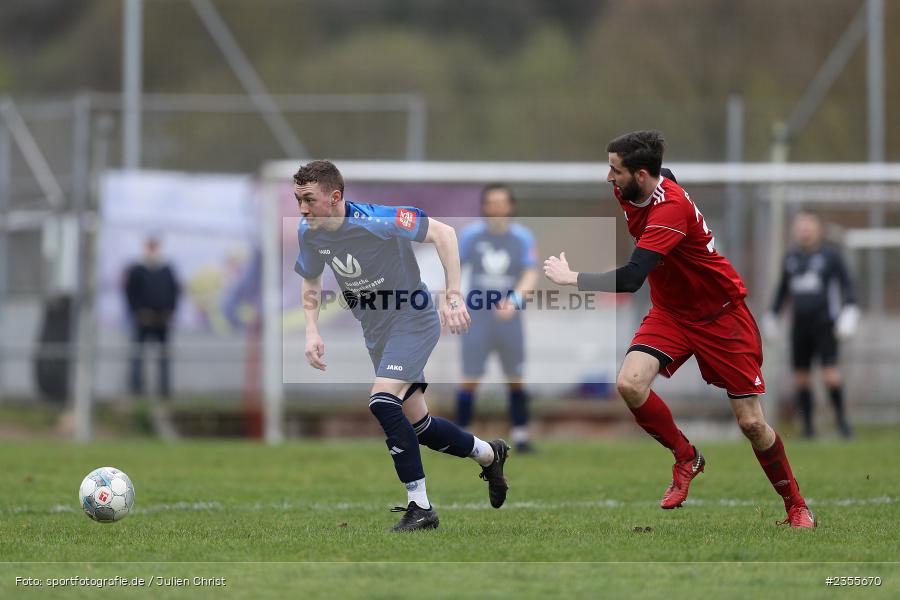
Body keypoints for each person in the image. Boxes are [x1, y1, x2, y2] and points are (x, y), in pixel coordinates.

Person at [543, 130, 816, 528]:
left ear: (639, 174)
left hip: (719, 314)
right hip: (671, 312)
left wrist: (573, 278)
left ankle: (796, 505)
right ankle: (686, 456)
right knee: (630, 384)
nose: (608, 178)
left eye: (614, 170)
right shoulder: (635, 187)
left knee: (752, 423)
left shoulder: (669, 212)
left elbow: (634, 276)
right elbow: (664, 170)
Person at [293, 160, 509, 532]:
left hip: (413, 319)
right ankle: (489, 454)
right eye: (298, 199)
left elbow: (445, 234)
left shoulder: (379, 220)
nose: (302, 208)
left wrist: (453, 294)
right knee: (420, 426)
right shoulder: (309, 231)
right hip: (375, 330)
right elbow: (311, 278)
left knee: (381, 401)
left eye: (308, 199)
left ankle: (420, 507)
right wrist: (311, 330)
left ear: (335, 197)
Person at [456, 184, 539, 452]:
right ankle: (461, 438)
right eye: (491, 203)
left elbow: (530, 274)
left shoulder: (522, 237)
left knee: (515, 376)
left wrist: (514, 301)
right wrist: (452, 300)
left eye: (502, 203)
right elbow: (454, 267)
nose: (497, 208)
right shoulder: (470, 236)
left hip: (509, 318)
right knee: (470, 376)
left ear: (511, 206)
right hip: (477, 316)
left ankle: (521, 436)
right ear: (484, 206)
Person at [763, 212, 858, 439]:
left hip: (825, 324)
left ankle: (843, 425)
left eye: (809, 226)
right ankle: (808, 429)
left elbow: (848, 284)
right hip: (800, 327)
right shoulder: (791, 258)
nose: (805, 230)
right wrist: (773, 315)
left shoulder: (831, 256)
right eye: (801, 226)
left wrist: (850, 309)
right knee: (801, 378)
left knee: (830, 375)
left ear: (818, 230)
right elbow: (782, 291)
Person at [125, 236, 180, 399]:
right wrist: (138, 312)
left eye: (155, 246)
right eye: (150, 246)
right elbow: (130, 292)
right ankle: (136, 389)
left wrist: (169, 311)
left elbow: (174, 291)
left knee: (163, 356)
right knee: (137, 354)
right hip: (143, 319)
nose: (152, 250)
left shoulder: (166, 269)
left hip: (161, 320)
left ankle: (164, 390)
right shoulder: (137, 269)